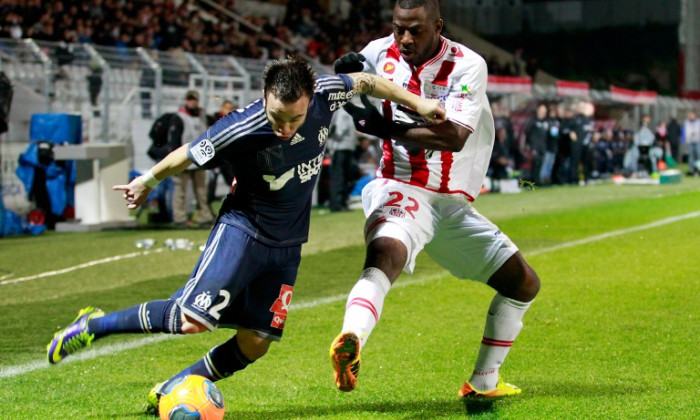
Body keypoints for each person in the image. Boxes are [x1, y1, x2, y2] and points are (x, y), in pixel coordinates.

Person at [45, 56, 445, 414]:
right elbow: (187, 152)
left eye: (296, 119)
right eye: (278, 118)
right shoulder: (239, 128)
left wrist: (420, 103)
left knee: (255, 343)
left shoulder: (326, 92)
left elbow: (369, 82)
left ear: (310, 98)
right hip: (243, 230)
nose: (286, 129)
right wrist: (148, 180)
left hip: (288, 244)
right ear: (265, 97)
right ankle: (92, 326)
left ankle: (172, 387)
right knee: (190, 320)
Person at [328, 0, 540, 400]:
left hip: (450, 202)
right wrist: (345, 75)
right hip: (400, 185)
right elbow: (348, 84)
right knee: (384, 254)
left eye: (416, 30)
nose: (405, 39)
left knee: (523, 284)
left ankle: (482, 384)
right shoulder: (378, 53)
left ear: (438, 26)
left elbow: (455, 136)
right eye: (398, 29)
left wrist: (381, 126)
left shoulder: (466, 64)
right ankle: (351, 338)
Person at [171, 89, 215, 227]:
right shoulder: (179, 117)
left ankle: (205, 216)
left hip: (200, 158)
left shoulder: (203, 117)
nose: (192, 102)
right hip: (184, 157)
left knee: (202, 191)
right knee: (180, 192)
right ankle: (179, 218)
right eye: (190, 99)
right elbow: (174, 139)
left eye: (194, 99)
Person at [328, 108, 360, 211]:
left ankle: (340, 203)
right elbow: (340, 128)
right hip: (340, 147)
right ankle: (337, 204)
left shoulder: (341, 110)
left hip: (343, 147)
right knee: (340, 177)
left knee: (342, 176)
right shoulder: (343, 110)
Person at [206, 99, 236, 206]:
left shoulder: (234, 121)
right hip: (216, 157)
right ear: (222, 108)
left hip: (228, 158)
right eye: (227, 108)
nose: (229, 111)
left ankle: (233, 202)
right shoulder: (214, 120)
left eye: (231, 108)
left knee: (232, 180)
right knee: (212, 182)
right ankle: (207, 204)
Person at [683, 110, 700, 175]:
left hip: (697, 141)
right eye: (690, 115)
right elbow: (686, 132)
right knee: (691, 156)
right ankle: (691, 170)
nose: (691, 116)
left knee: (698, 155)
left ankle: (698, 169)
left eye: (692, 115)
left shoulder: (698, 122)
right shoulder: (687, 123)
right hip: (690, 141)